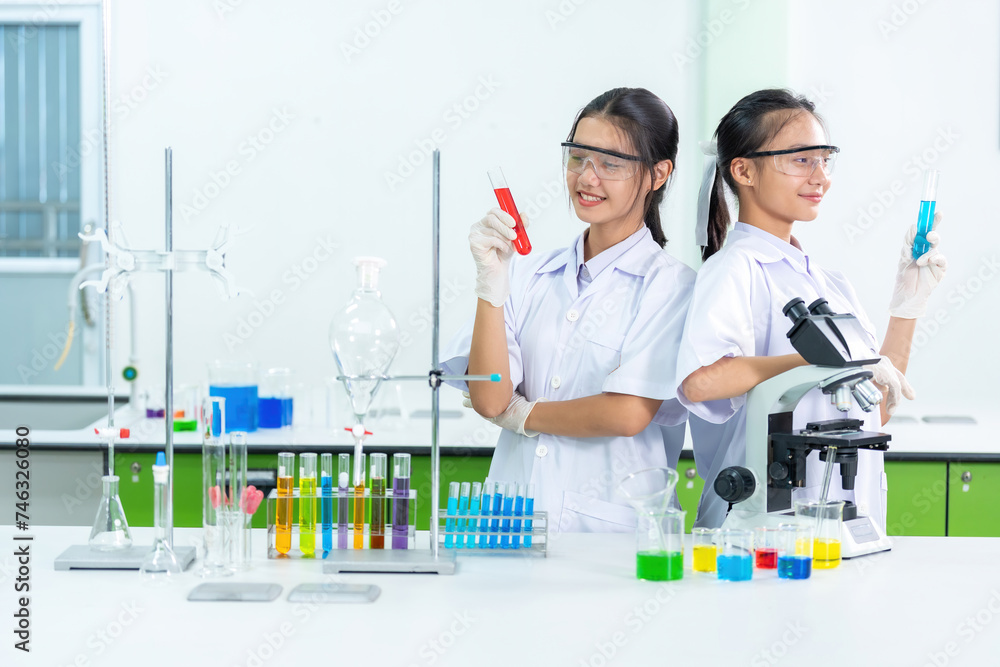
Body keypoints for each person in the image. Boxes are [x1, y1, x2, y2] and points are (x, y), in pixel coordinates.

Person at [677, 88, 948, 529]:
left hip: (840, 521)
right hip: (758, 526)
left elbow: (873, 408)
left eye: (825, 159)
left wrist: (907, 307)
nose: (820, 176)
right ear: (743, 169)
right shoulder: (733, 270)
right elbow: (702, 383)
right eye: (802, 160)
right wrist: (821, 360)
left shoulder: (827, 282)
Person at [442, 87, 695, 532]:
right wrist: (491, 285)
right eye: (578, 157)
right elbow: (488, 396)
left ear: (658, 174)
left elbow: (626, 413)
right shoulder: (529, 272)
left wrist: (522, 414)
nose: (586, 177)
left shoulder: (671, 286)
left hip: (611, 532)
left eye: (611, 163)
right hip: (511, 518)